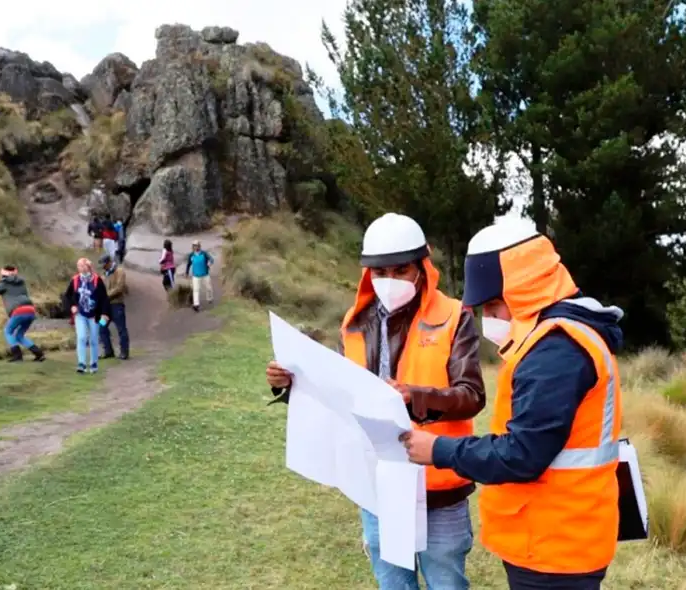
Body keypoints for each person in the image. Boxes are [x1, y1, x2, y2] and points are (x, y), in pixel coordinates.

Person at [265, 213, 486, 590]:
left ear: (422, 266)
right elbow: (337, 393)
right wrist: (291, 385)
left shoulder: (453, 317)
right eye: (380, 272)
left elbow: (472, 395)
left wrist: (413, 396)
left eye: (401, 270)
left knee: (446, 582)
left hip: (439, 481)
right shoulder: (353, 324)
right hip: (376, 482)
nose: (391, 281)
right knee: (393, 584)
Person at [399, 222, 625, 590]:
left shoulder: (555, 351)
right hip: (553, 534)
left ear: (524, 292)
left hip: (555, 546)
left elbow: (522, 454)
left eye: (493, 306)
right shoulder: (559, 338)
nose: (488, 319)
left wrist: (438, 449)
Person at [0, 265, 45, 362]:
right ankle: (39, 353)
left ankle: (17, 356)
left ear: (3, 275)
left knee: (8, 331)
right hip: (30, 310)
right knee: (19, 335)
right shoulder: (21, 282)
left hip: (18, 311)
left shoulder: (3, 283)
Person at [63, 257, 111, 374]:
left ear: (88, 267)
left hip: (95, 314)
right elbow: (67, 296)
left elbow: (104, 298)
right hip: (80, 313)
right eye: (78, 265)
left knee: (94, 339)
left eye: (82, 265)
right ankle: (81, 363)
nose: (80, 268)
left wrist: (105, 313)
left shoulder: (97, 280)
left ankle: (93, 363)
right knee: (81, 337)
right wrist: (72, 306)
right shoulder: (75, 280)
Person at [98, 253, 130, 360]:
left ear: (109, 262)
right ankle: (108, 351)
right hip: (105, 309)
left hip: (117, 306)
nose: (103, 266)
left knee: (121, 329)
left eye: (104, 264)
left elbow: (119, 287)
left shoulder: (119, 271)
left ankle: (124, 352)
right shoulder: (104, 275)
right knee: (101, 327)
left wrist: (106, 295)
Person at [185, 239, 214, 312]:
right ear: (193, 247)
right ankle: (196, 305)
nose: (195, 247)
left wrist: (209, 264)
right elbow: (188, 264)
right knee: (196, 290)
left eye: (197, 245)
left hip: (205, 274)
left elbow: (211, 259)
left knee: (209, 288)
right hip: (196, 276)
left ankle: (209, 298)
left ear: (199, 246)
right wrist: (187, 272)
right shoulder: (191, 255)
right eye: (194, 246)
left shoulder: (204, 253)